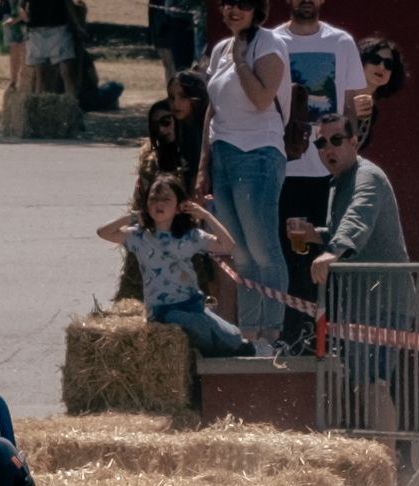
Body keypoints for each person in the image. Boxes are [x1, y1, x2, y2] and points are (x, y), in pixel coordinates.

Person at [290, 114, 408, 436]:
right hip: (363, 303)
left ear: (355, 141)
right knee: (364, 384)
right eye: (321, 143)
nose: (328, 148)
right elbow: (349, 229)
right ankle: (382, 468)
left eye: (336, 140)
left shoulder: (367, 177)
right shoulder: (339, 183)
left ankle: (387, 476)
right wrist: (317, 235)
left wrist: (332, 249)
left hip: (384, 302)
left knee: (375, 385)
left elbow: (359, 218)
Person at [196, 0, 289, 353]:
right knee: (242, 254)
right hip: (224, 153)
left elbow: (263, 98)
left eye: (244, 4)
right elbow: (213, 108)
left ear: (257, 11)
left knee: (264, 250)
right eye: (229, 3)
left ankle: (273, 336)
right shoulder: (220, 47)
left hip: (259, 154)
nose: (234, 10)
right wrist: (203, 164)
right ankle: (251, 337)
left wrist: (240, 59)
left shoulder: (269, 43)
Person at [272, 0, 364, 351]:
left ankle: (331, 339)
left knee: (330, 255)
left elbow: (352, 104)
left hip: (328, 170)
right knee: (290, 256)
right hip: (286, 168)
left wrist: (351, 156)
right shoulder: (273, 41)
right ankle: (294, 338)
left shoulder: (341, 42)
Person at [97, 175, 247, 358]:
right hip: (163, 310)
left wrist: (206, 215)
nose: (159, 204)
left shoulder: (190, 236)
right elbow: (103, 232)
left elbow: (227, 245)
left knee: (233, 336)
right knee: (196, 326)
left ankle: (224, 350)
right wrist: (133, 216)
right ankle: (208, 357)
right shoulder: (139, 236)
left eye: (166, 199)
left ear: (178, 207)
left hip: (192, 304)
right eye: (153, 199)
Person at [351, 33, 403, 151]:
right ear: (361, 61)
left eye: (388, 64)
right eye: (375, 60)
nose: (382, 67)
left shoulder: (372, 111)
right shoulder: (335, 93)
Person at [24, 0, 75, 92]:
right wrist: (26, 20)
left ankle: (71, 103)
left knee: (67, 73)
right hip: (37, 31)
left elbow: (68, 4)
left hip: (58, 28)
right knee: (40, 75)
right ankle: (39, 103)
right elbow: (22, 6)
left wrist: (76, 25)